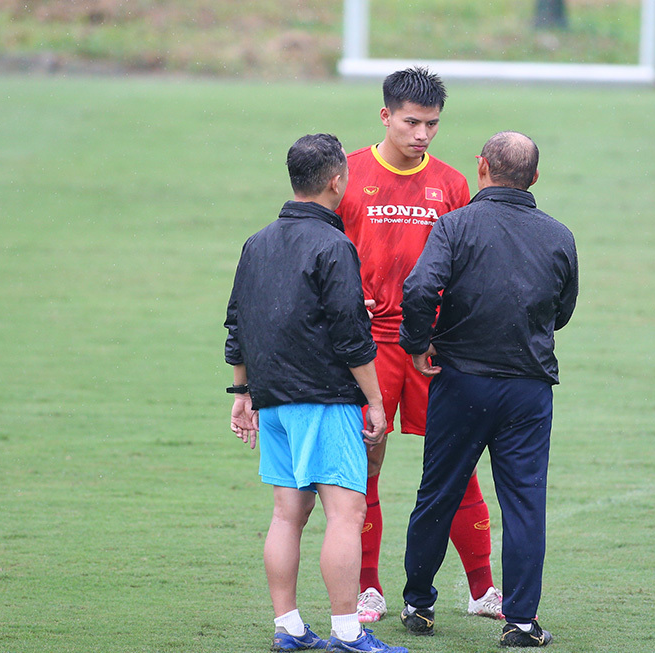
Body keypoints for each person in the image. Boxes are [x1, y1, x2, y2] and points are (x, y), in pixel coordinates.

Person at [224, 133, 407, 653]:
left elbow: (238, 323)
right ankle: (348, 632)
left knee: (286, 514)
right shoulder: (334, 244)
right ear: (337, 181)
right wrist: (373, 400)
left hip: (272, 398)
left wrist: (242, 394)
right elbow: (351, 336)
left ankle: (289, 627)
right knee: (346, 515)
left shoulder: (257, 242)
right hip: (325, 398)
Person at [398, 132, 579, 647]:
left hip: (460, 382)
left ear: (481, 168)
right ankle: (521, 622)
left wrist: (419, 342)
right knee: (524, 502)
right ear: (535, 178)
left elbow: (418, 287)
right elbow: (561, 311)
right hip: (528, 388)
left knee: (438, 493)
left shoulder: (454, 226)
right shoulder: (559, 235)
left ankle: (417, 603)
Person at [336, 66, 501, 623]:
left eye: (432, 124)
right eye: (412, 122)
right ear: (385, 116)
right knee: (363, 462)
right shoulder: (348, 176)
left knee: (458, 464)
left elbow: (467, 266)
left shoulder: (453, 185)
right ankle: (367, 589)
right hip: (367, 347)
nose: (423, 134)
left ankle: (483, 591)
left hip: (432, 347)